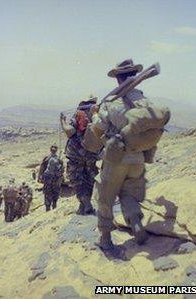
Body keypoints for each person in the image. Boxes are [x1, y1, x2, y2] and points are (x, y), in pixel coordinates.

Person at [91, 59, 170, 251]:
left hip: (116, 159)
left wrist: (95, 114)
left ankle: (105, 237)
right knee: (129, 193)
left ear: (118, 79)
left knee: (106, 195)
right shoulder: (145, 101)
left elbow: (97, 130)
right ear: (134, 76)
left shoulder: (112, 103)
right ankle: (136, 222)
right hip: (138, 158)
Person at [60, 95, 99, 215]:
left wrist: (62, 121)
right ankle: (84, 205)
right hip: (92, 153)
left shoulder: (80, 113)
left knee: (77, 179)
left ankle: (86, 203)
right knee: (89, 178)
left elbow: (69, 131)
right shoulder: (97, 113)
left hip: (76, 154)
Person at [39, 144, 64, 211]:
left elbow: (42, 168)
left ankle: (51, 207)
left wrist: (40, 177)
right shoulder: (54, 159)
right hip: (52, 178)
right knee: (51, 192)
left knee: (50, 192)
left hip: (51, 178)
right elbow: (42, 167)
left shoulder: (55, 159)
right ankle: (51, 207)